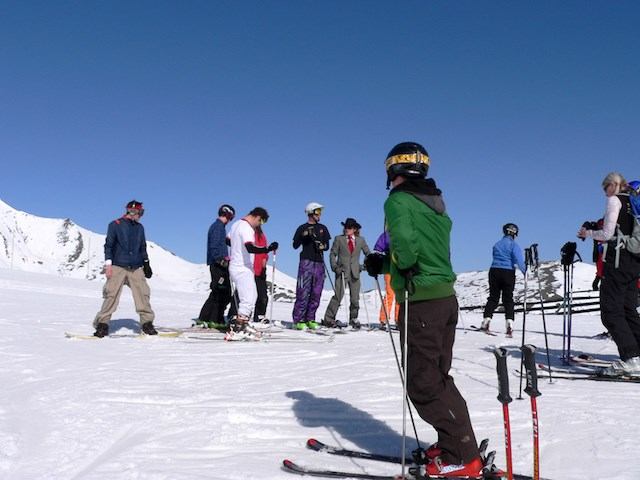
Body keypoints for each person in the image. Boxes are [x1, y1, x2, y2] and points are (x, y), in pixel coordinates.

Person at [364, 142, 482, 477]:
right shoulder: (436, 206)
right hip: (444, 299)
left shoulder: (398, 201)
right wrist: (384, 263)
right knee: (438, 378)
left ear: (393, 170)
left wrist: (391, 260)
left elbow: (408, 250)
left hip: (422, 304)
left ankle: (463, 456)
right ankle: (456, 444)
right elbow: (423, 254)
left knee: (423, 384)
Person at [578, 172, 640, 375]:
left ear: (613, 185)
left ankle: (632, 359)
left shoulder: (616, 200)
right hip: (635, 262)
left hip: (618, 260)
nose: (605, 194)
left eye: (606, 189)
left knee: (611, 311)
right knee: (628, 309)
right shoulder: (634, 201)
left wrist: (587, 233)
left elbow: (608, 233)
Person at [93, 200, 157, 337]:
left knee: (143, 294)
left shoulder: (140, 228)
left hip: (136, 266)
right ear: (132, 212)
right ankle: (102, 324)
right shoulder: (115, 225)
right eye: (139, 213)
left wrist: (146, 262)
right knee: (111, 295)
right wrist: (108, 265)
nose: (140, 216)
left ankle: (147, 323)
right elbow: (108, 245)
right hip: (118, 265)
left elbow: (142, 246)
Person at [226, 207, 278, 340]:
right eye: (261, 221)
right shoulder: (247, 228)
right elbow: (250, 247)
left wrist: (237, 249)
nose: (260, 225)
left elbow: (228, 240)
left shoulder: (236, 224)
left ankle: (241, 323)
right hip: (243, 268)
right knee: (248, 299)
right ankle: (239, 328)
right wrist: (268, 248)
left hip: (236, 266)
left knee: (251, 295)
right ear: (257, 217)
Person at [322, 218, 370, 329]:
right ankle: (329, 319)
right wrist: (335, 268)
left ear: (354, 229)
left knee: (355, 299)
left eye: (349, 227)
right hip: (342, 273)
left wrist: (365, 266)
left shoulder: (361, 240)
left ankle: (353, 318)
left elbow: (368, 254)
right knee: (338, 296)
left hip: (355, 273)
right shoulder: (339, 239)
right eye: (345, 227)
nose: (346, 229)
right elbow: (332, 254)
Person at [479, 223, 526, 336]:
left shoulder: (497, 244)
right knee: (508, 299)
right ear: (515, 233)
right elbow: (519, 260)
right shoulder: (514, 245)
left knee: (493, 297)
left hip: (494, 270)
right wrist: (525, 272)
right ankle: (509, 323)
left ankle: (486, 321)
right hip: (508, 272)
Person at [291, 202, 331, 330]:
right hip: (306, 262)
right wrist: (304, 236)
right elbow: (295, 245)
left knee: (316, 292)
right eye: (318, 212)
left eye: (320, 212)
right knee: (303, 291)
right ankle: (298, 319)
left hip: (319, 262)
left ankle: (310, 318)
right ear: (311, 212)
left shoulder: (323, 228)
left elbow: (327, 245)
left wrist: (322, 246)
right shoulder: (302, 227)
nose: (320, 215)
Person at [197, 204, 235, 328]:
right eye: (231, 217)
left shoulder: (219, 227)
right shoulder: (218, 227)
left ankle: (207, 318)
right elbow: (214, 246)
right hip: (218, 265)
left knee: (219, 291)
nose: (230, 220)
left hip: (220, 264)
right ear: (227, 214)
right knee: (221, 291)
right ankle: (215, 319)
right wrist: (220, 260)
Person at [227, 224, 274, 324]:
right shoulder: (245, 232)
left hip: (259, 268)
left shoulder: (261, 236)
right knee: (242, 292)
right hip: (247, 267)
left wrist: (264, 264)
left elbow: (264, 252)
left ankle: (260, 315)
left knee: (262, 295)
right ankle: (233, 314)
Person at [372, 231, 399, 330]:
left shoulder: (405, 232)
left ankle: (398, 319)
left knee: (400, 293)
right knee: (389, 293)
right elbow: (378, 249)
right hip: (389, 266)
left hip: (401, 266)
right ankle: (384, 319)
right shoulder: (387, 234)